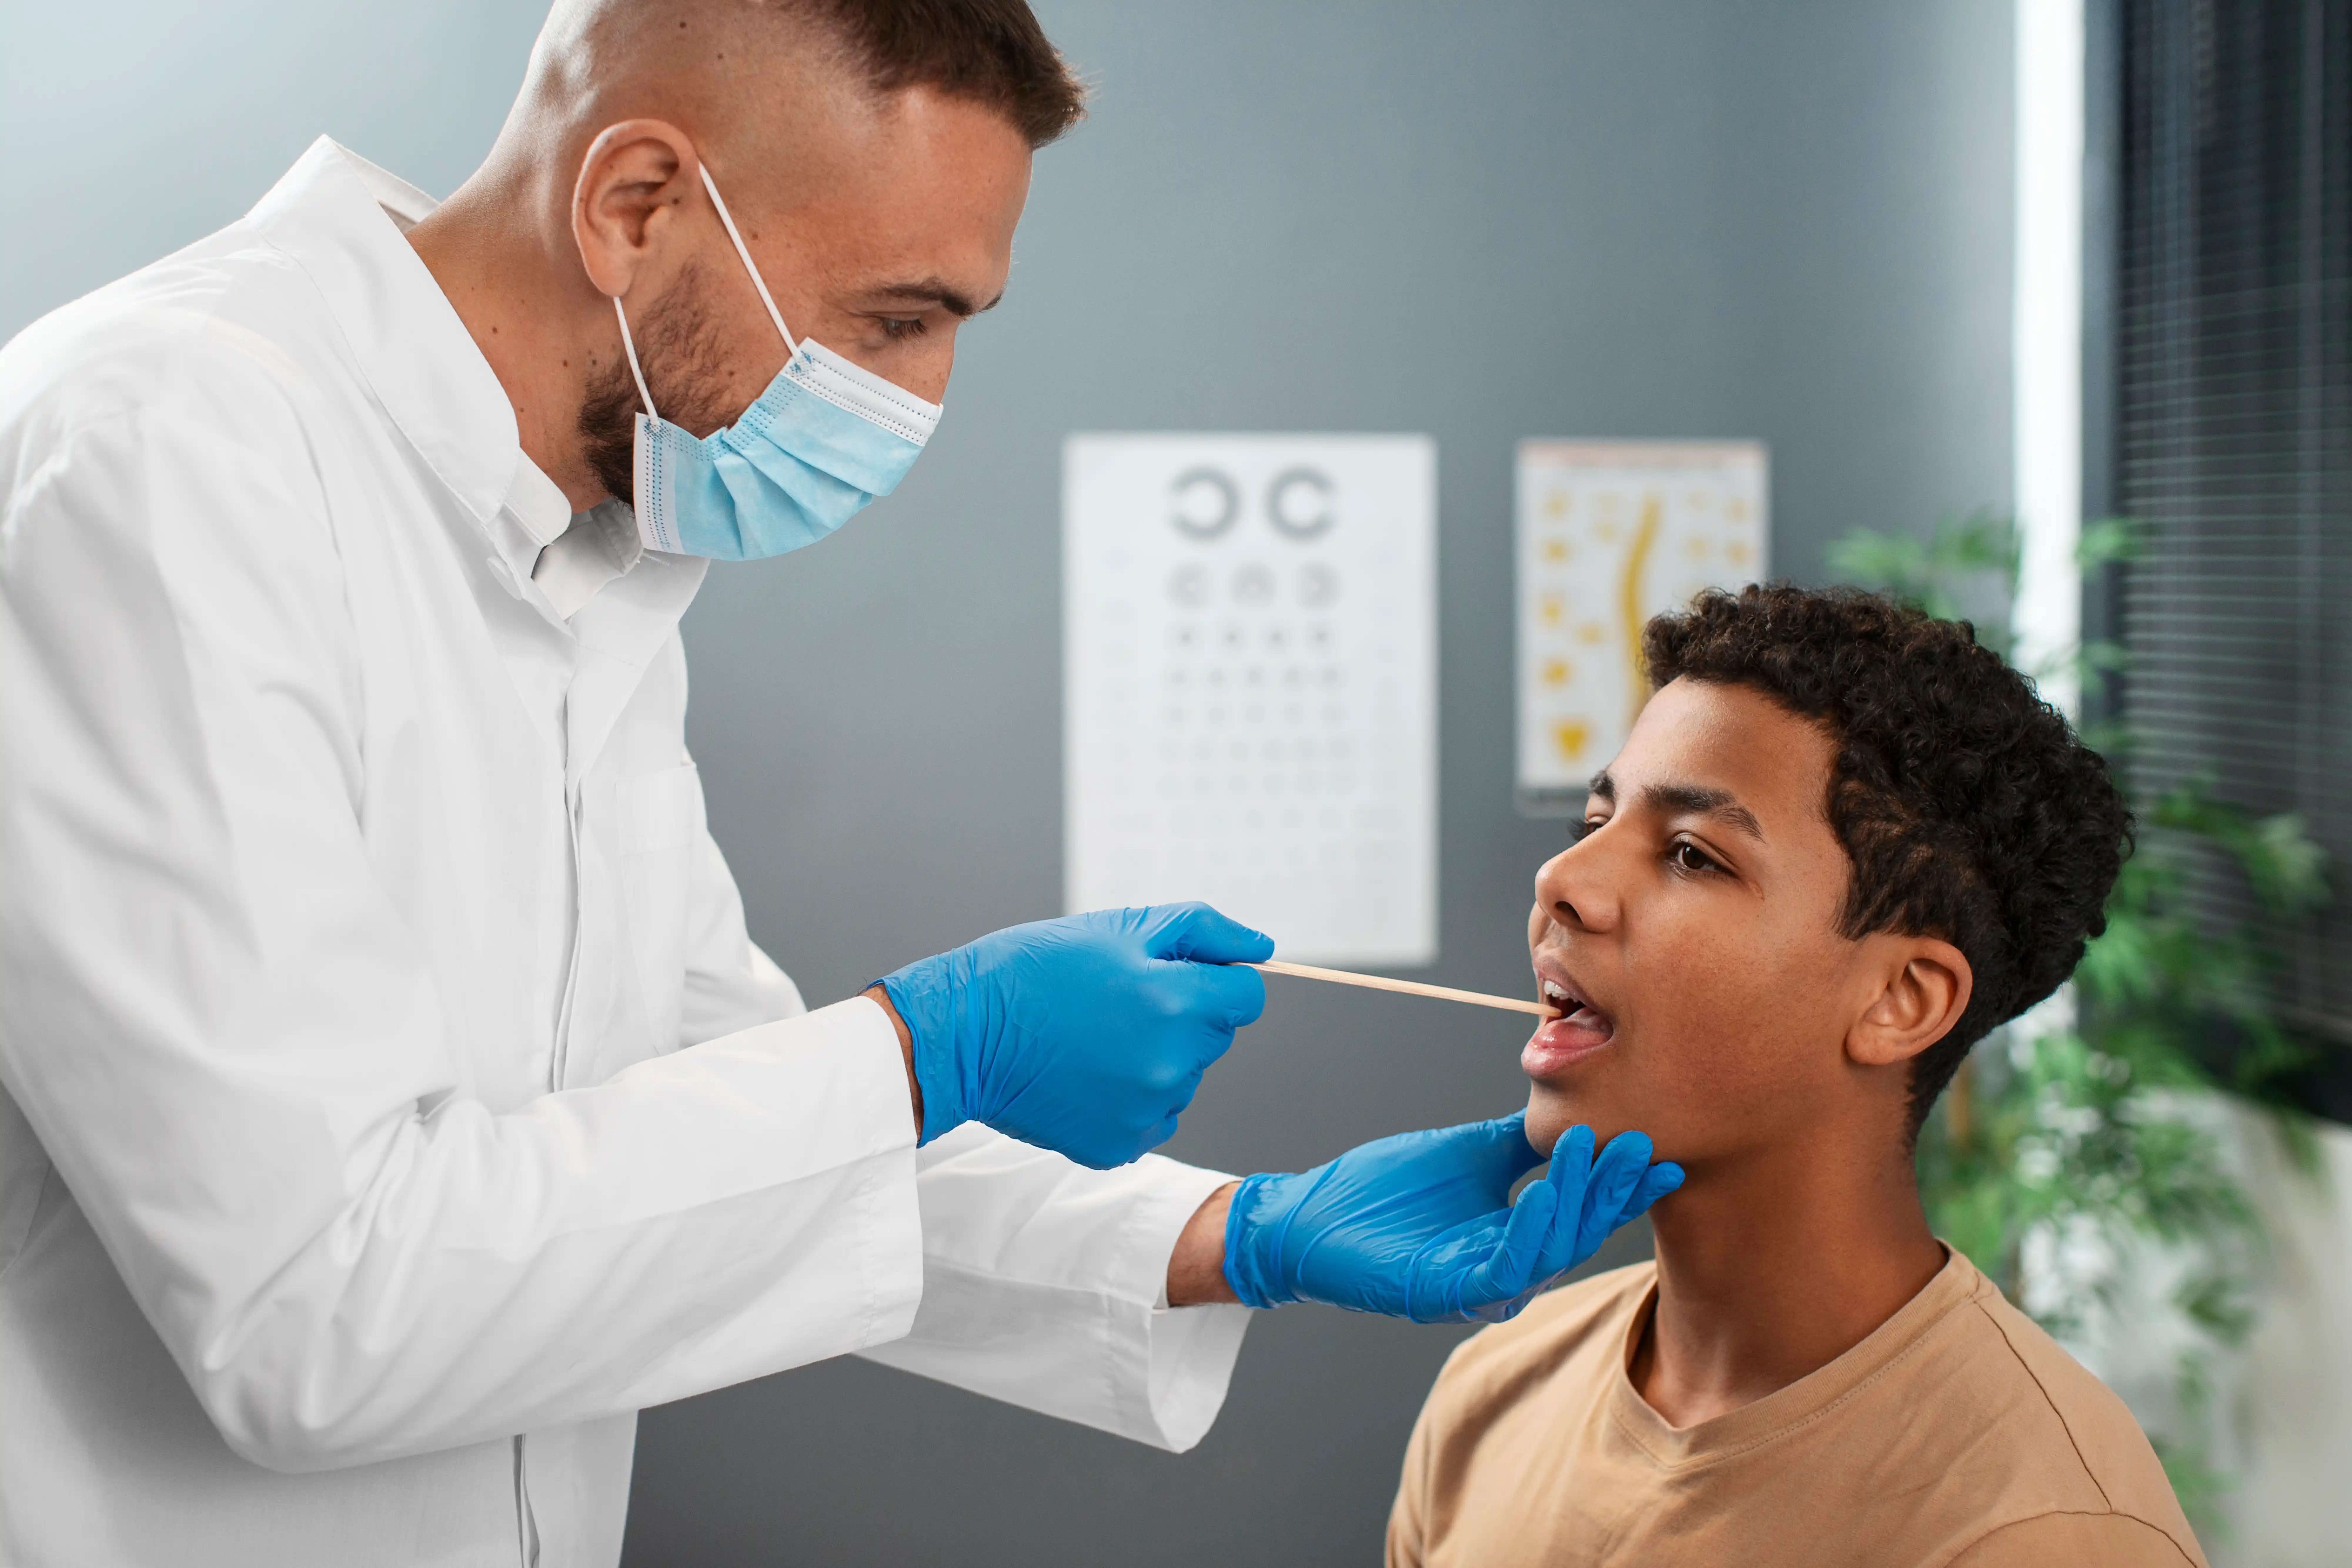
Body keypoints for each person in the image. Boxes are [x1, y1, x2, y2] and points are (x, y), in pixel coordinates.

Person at [0, 3, 1676, 1564]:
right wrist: (922, 1047)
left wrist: (1229, 1234)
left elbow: (710, 1108)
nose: (922, 397)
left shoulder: (592, 550)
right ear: (638, 203)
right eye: (896, 317)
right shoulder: (159, 455)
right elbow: (319, 1302)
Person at [1386, 586, 2207, 1568]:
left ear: (1901, 998)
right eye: (1594, 819)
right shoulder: (1494, 1390)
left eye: (1691, 854)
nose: (1562, 881)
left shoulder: (2043, 1530)